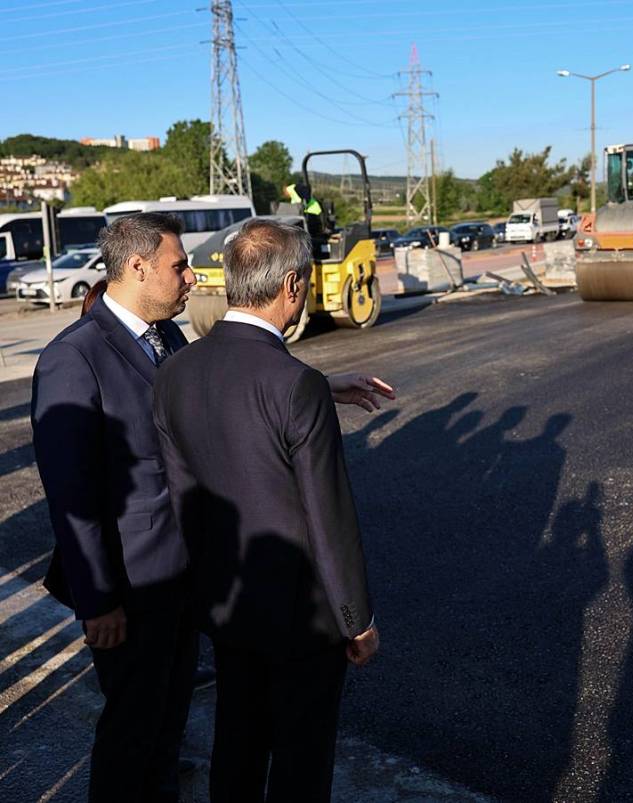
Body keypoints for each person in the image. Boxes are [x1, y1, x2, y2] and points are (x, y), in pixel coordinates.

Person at [152, 218, 388, 803]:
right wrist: (356, 620)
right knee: (301, 765)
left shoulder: (175, 371)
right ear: (290, 286)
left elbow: (183, 497)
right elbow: (329, 516)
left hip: (227, 606)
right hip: (301, 622)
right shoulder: (295, 384)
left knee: (237, 744)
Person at [31, 212, 198, 803]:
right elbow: (72, 497)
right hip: (129, 588)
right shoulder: (73, 357)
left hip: (182, 576)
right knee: (133, 732)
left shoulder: (168, 336)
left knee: (169, 726)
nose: (191, 277)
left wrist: (316, 388)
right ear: (138, 266)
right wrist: (98, 601)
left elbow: (216, 394)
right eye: (180, 266)